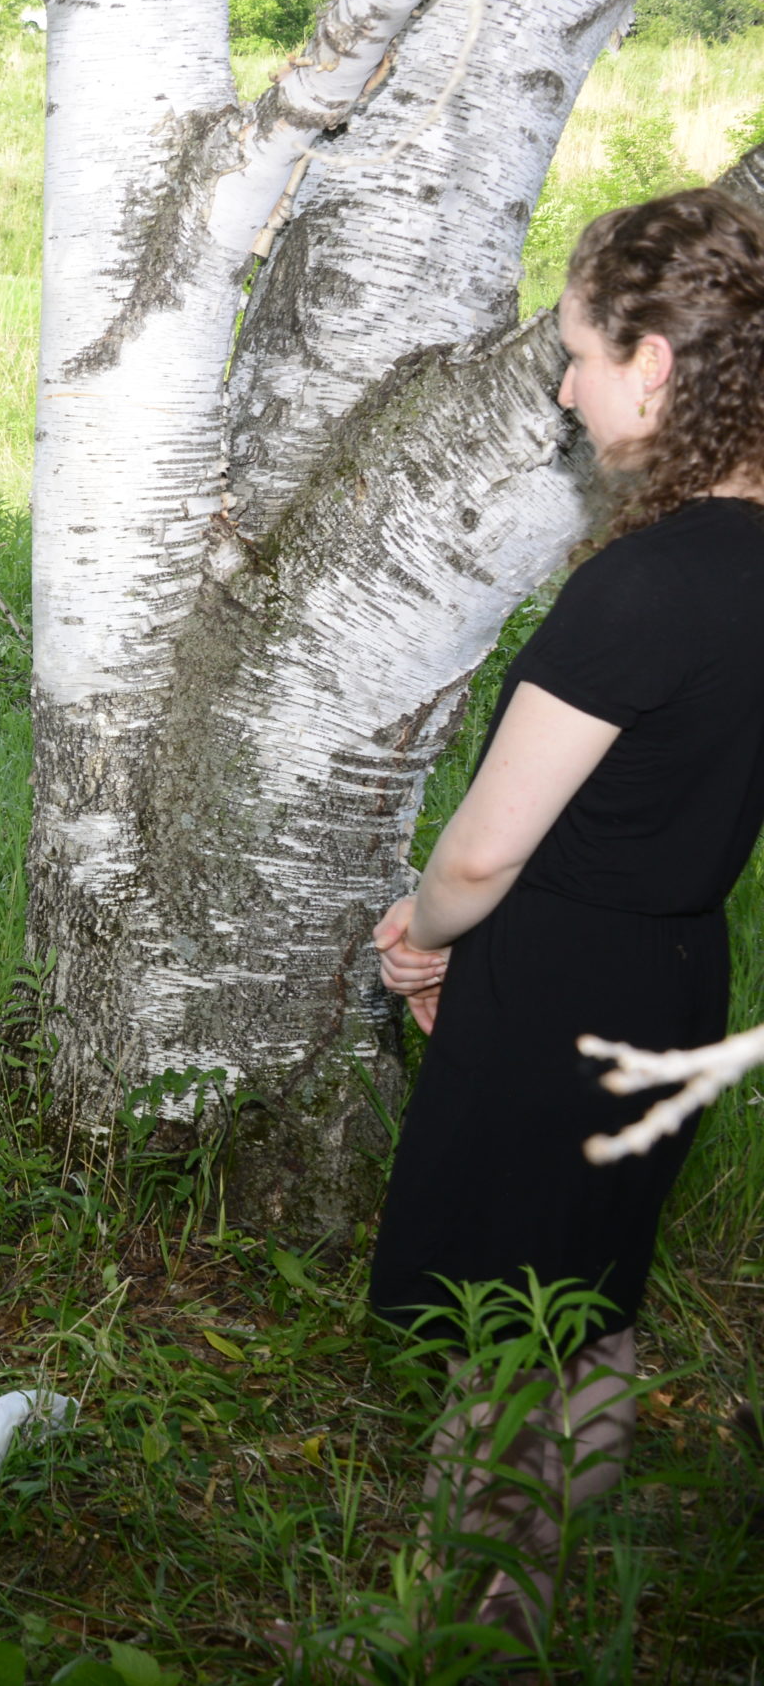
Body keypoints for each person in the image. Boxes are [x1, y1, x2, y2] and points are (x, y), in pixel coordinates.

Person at [368, 188, 764, 1647]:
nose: (565, 379)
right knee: (596, 1293)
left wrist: (414, 935)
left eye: (583, 347)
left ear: (657, 364)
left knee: (502, 1326)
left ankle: (470, 1622)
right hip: (677, 971)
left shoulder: (642, 585)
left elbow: (481, 856)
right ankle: (560, 1595)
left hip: (557, 982)